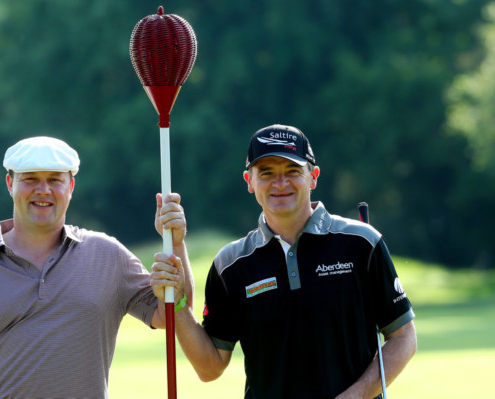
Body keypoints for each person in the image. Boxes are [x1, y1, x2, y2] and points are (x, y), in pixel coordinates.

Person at [151, 124, 417, 399]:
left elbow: (403, 337)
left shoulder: (362, 243)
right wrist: (179, 304)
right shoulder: (230, 265)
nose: (280, 183)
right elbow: (210, 367)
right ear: (249, 181)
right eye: (266, 173)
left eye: (292, 171)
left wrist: (357, 395)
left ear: (313, 177)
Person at [0, 136, 192, 399]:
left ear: (70, 187)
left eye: (54, 180)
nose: (43, 190)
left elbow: (172, 313)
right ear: (9, 184)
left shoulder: (107, 255)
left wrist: (176, 244)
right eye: (30, 179)